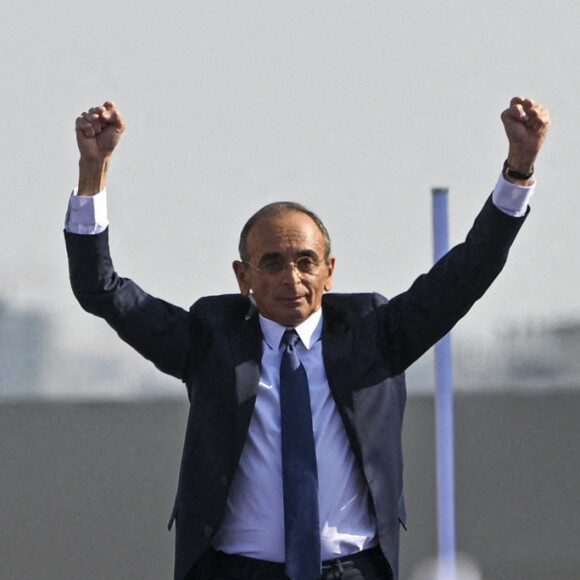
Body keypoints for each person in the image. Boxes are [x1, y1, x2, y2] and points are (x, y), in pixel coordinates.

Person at [65, 97, 550, 580]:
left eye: (305, 262)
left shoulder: (375, 334)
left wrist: (518, 170)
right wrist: (94, 172)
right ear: (244, 277)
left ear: (329, 271)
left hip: (352, 570)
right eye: (272, 263)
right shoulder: (210, 339)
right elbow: (102, 290)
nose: (291, 278)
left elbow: (469, 271)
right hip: (236, 571)